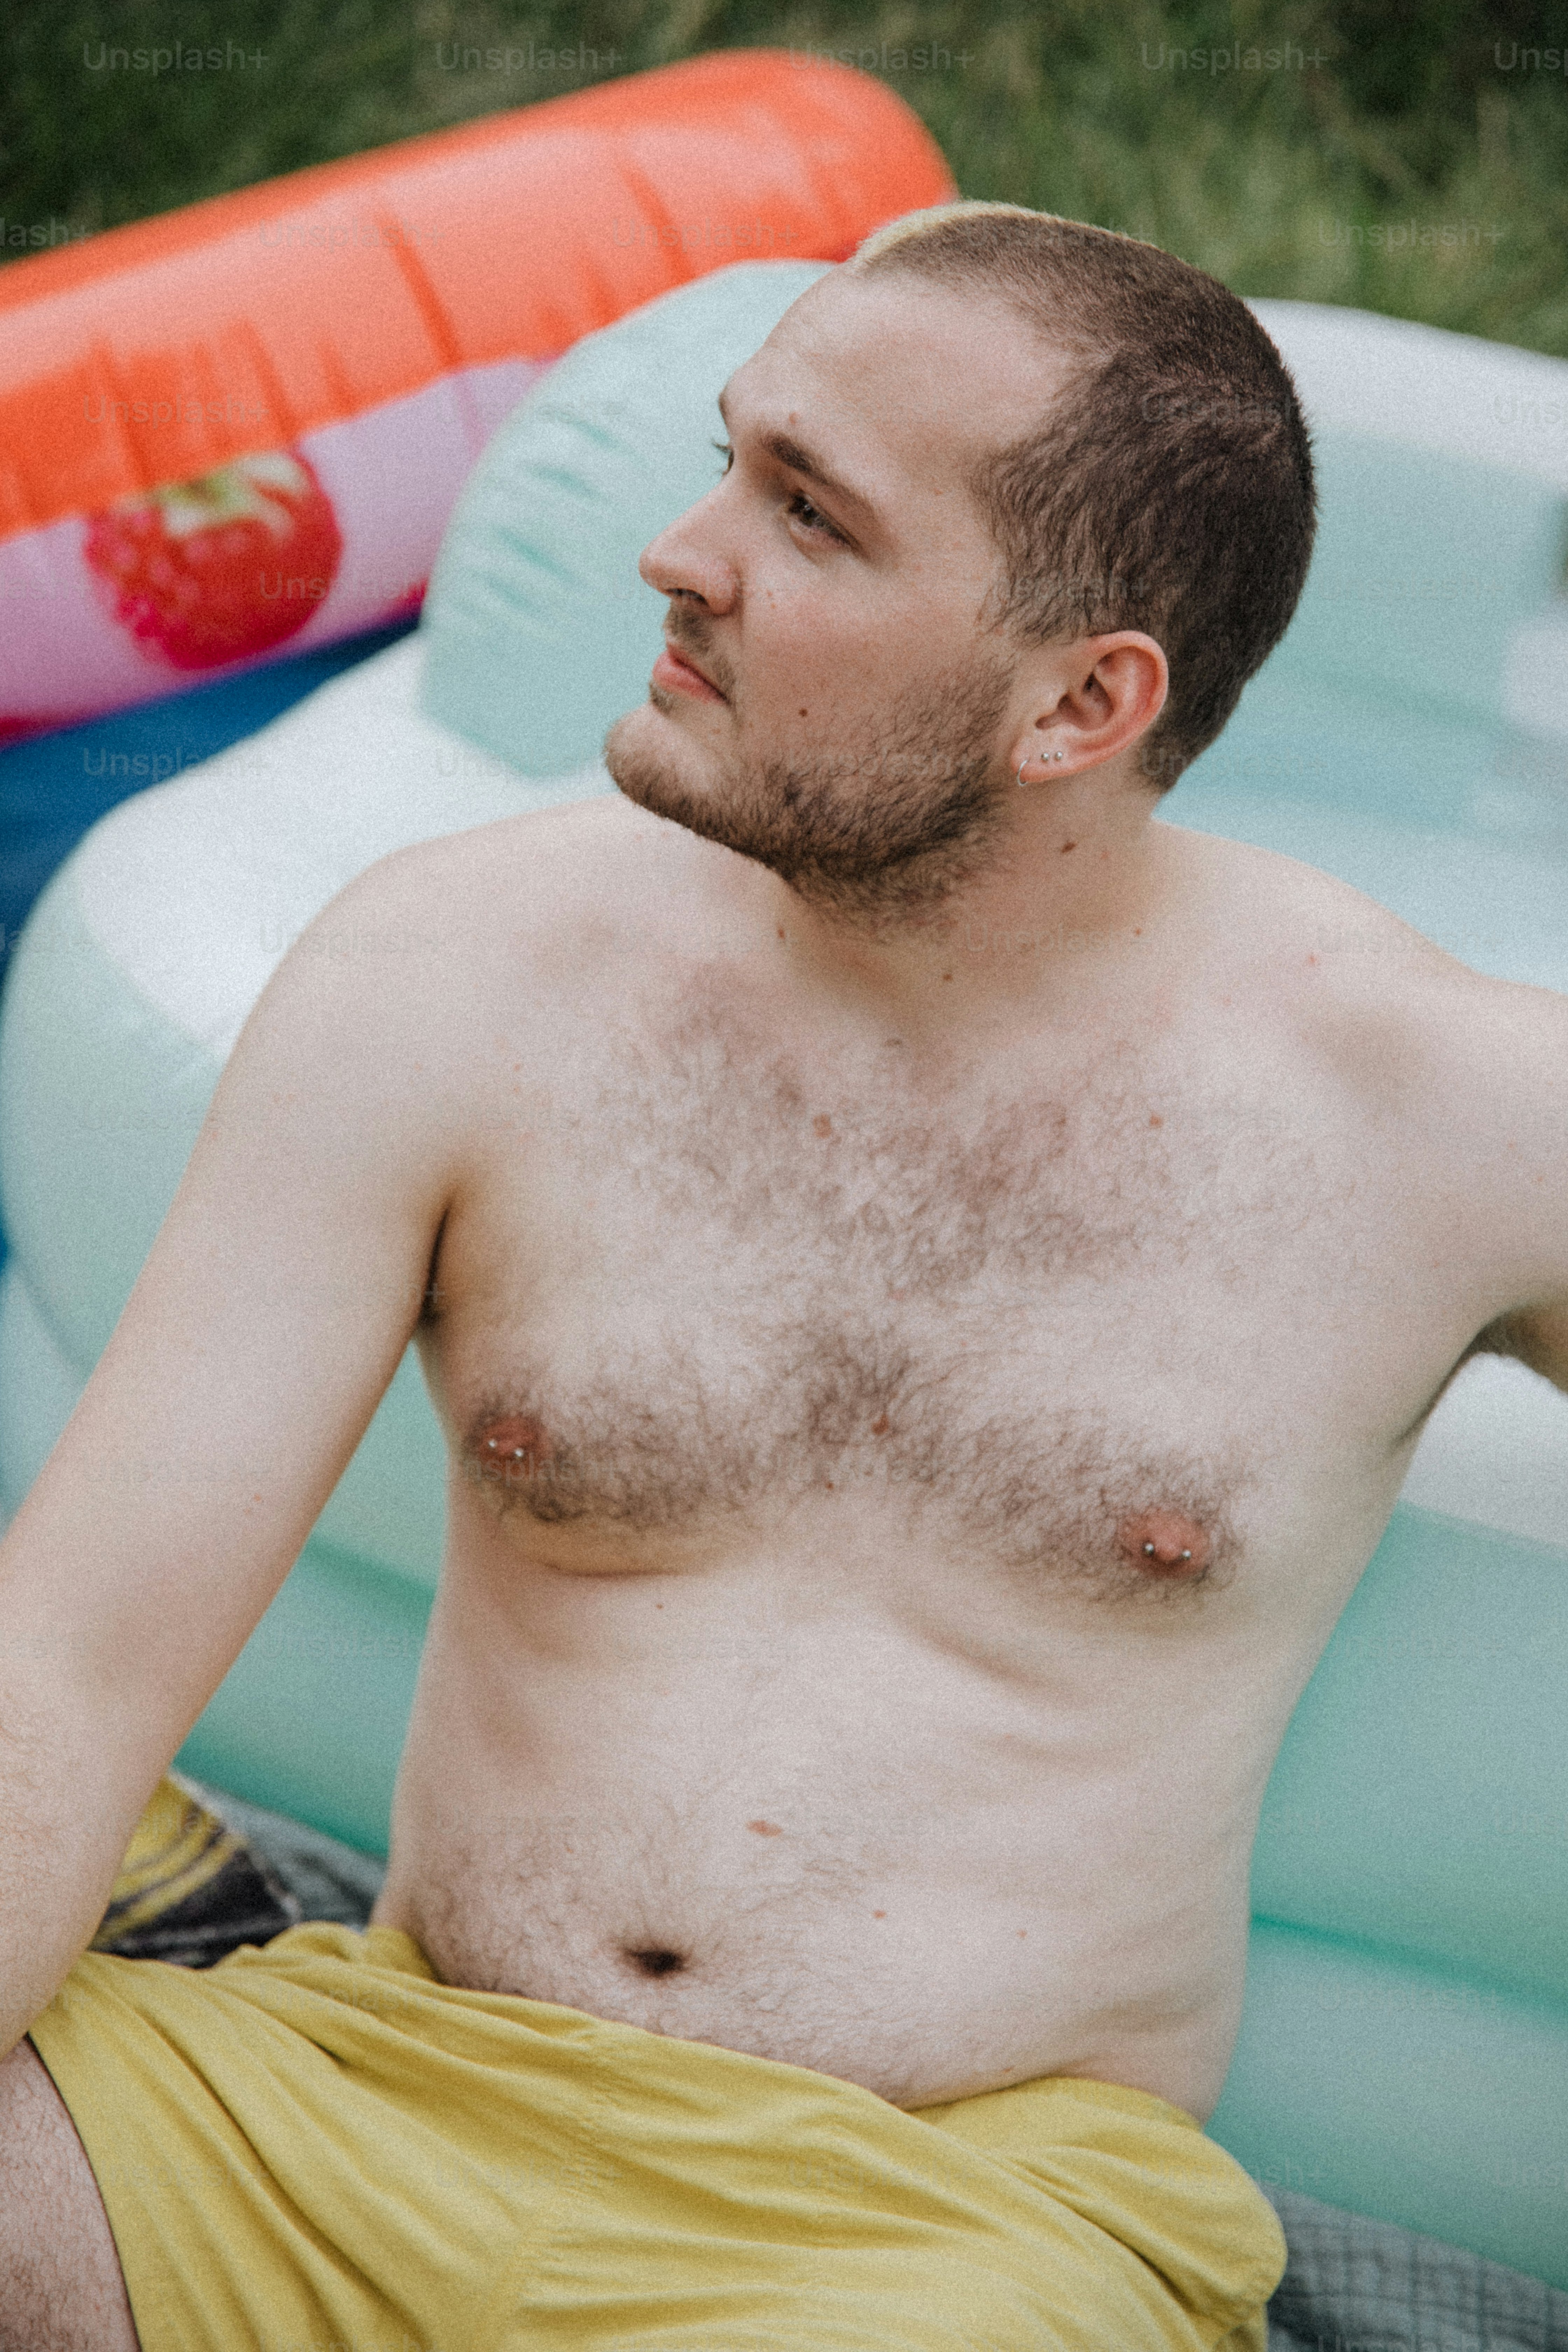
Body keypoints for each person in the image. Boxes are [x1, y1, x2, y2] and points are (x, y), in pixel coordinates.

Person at [1, 200, 1564, 2351]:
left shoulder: (1443, 1114)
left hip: (935, 2233)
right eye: (733, 457)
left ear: (1081, 703)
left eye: (809, 519)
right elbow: (68, 1664)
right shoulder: (453, 970)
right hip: (352, 2103)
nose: (680, 548)